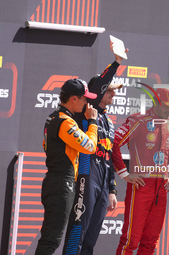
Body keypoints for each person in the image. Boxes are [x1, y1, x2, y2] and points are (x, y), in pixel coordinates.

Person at [62, 42, 128, 255]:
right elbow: (101, 84)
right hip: (85, 177)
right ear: (98, 92)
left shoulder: (108, 121)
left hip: (101, 182)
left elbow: (108, 158)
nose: (113, 95)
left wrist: (112, 189)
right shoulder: (86, 112)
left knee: (91, 239)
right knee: (78, 233)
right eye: (109, 91)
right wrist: (117, 62)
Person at [111, 88, 169, 255]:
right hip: (141, 186)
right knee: (130, 240)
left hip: (162, 188)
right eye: (166, 106)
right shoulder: (139, 120)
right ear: (155, 102)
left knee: (150, 242)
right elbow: (114, 142)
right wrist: (124, 173)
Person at [35, 79, 99, 255]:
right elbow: (89, 146)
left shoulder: (53, 117)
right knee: (51, 240)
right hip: (61, 183)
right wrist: (92, 122)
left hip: (57, 181)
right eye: (84, 99)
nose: (87, 103)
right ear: (74, 99)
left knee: (50, 238)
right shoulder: (65, 122)